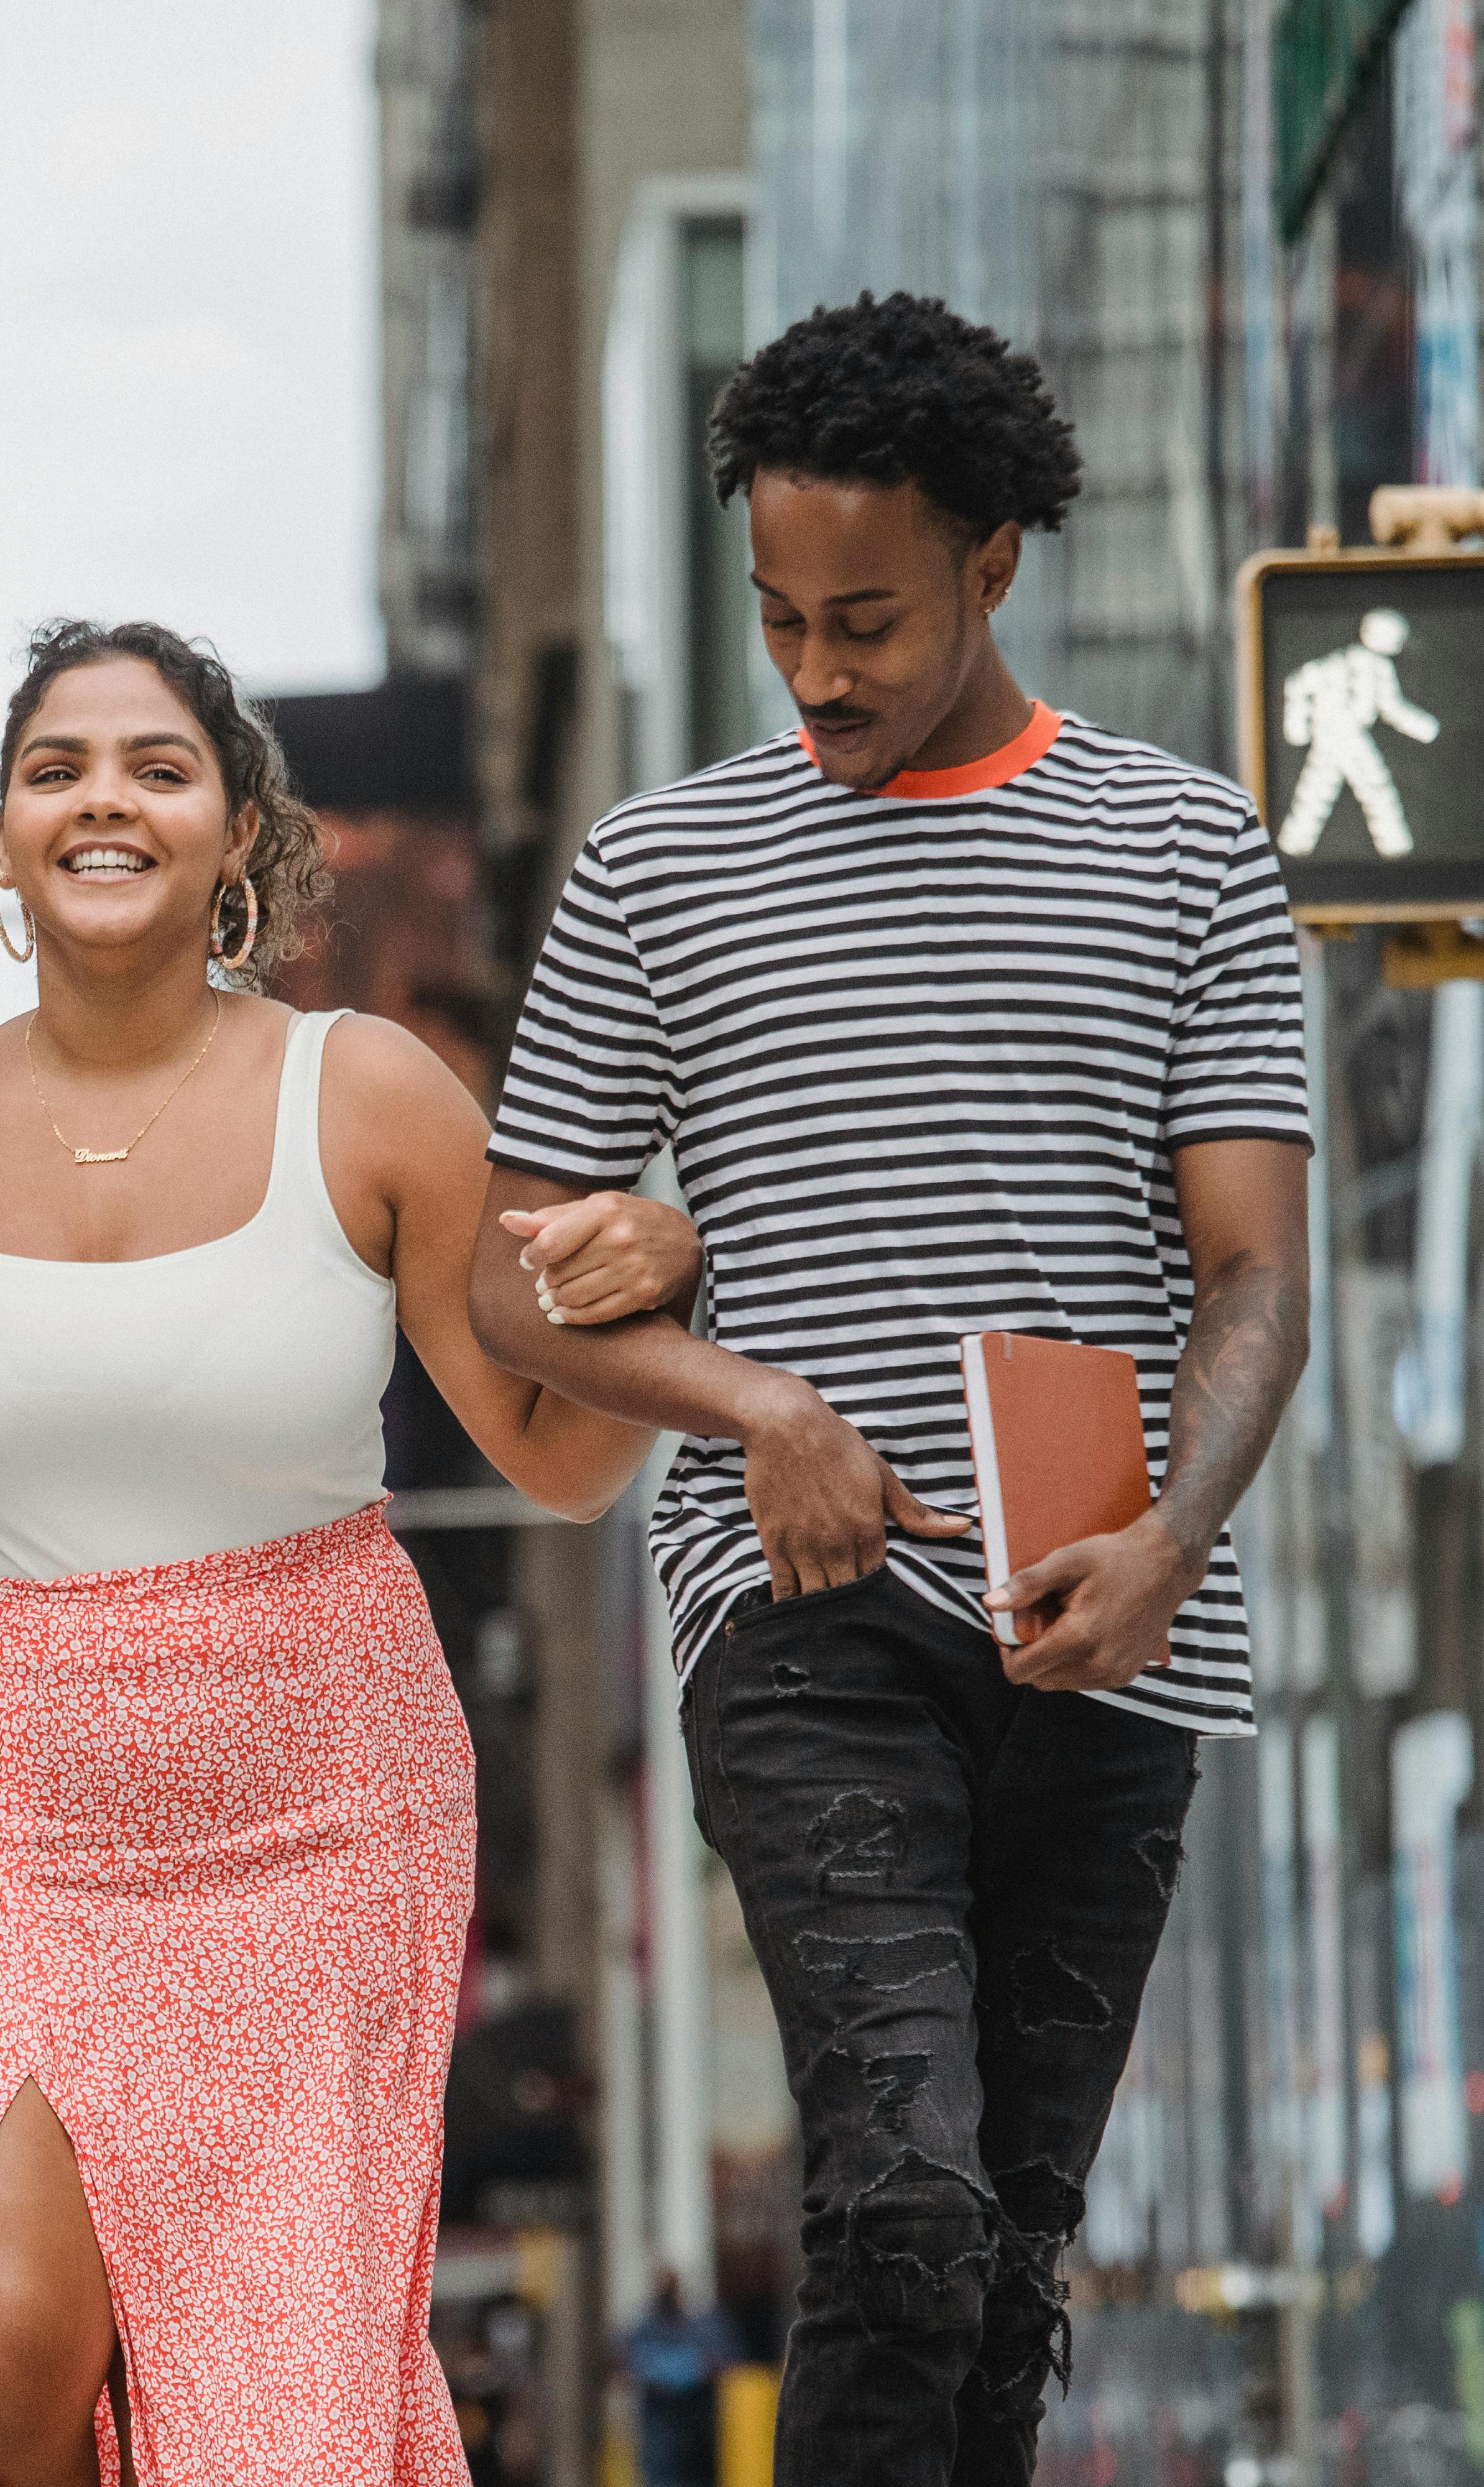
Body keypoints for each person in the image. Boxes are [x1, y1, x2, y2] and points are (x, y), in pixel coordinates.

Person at [468, 293, 1313, 2487]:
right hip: (813, 1623)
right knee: (904, 2195)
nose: (819, 669)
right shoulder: (659, 871)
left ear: (996, 563)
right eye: (779, 619)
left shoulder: (1192, 851)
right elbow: (509, 1279)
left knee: (1011, 2260)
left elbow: (1253, 1276)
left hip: (1112, 1629)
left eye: (867, 618)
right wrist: (760, 1408)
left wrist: (1173, 1537)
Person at [0, 619, 699, 2487]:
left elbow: (556, 1463)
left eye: (156, 766)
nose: (102, 797)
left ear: (236, 832)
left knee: (269, 2417)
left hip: (310, 1801)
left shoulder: (372, 1094)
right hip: (3, 1790)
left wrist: (660, 1273)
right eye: (55, 765)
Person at [617, 2272, 742, 2487]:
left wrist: (698, 2368)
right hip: (660, 2444)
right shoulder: (644, 2328)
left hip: (700, 2442)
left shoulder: (705, 2326)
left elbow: (730, 2363)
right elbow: (619, 2366)